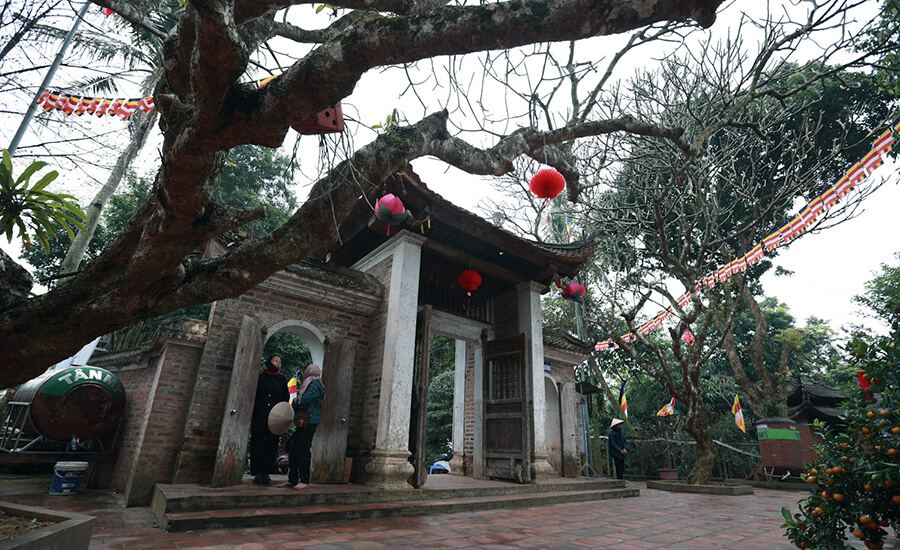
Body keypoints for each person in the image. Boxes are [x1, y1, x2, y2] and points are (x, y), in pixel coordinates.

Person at [280, 363, 326, 490]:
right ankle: (292, 479)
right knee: (294, 451)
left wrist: (294, 403)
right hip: (303, 422)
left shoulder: (314, 384)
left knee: (303, 451)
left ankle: (304, 480)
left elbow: (303, 400)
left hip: (309, 422)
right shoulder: (309, 383)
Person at [250, 355, 289, 485]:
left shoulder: (282, 379)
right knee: (258, 443)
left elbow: (285, 397)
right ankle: (257, 472)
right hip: (260, 416)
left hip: (274, 418)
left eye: (280, 362)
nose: (278, 364)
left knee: (271, 445)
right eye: (275, 361)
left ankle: (267, 472)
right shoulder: (260, 378)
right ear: (269, 362)